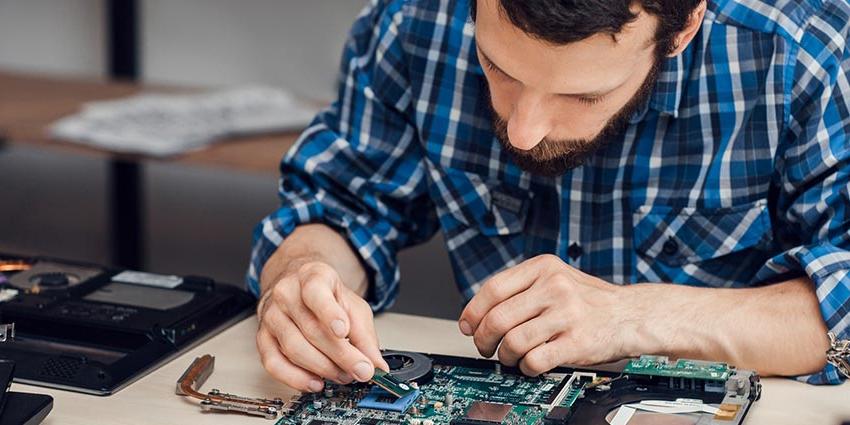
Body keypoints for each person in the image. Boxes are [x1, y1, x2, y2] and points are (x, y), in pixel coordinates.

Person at [248, 0, 850, 393]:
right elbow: (340, 208)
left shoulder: (800, 58)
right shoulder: (413, 22)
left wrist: (633, 317)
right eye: (497, 66)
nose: (523, 130)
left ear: (683, 27)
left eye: (583, 96)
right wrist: (304, 275)